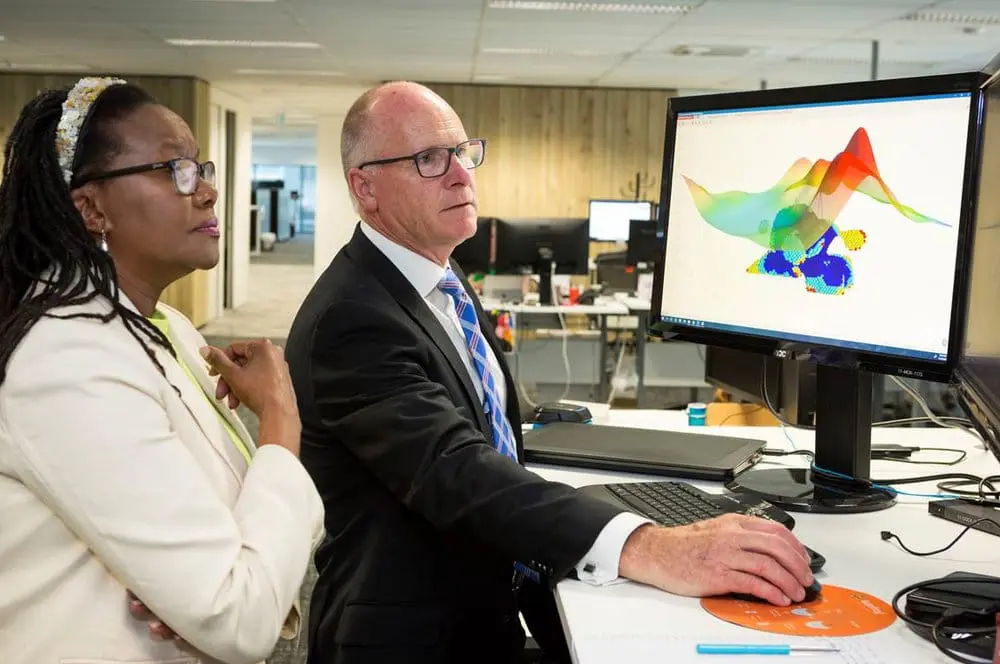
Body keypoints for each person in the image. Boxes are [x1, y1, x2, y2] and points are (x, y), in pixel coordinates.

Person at [284, 81, 814, 664]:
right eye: (427, 160)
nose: (460, 174)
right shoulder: (352, 318)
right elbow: (452, 467)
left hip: (485, 598)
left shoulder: (437, 275)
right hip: (410, 633)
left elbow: (473, 414)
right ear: (366, 188)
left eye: (462, 152)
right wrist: (648, 544)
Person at [0, 77, 323, 664]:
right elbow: (240, 614)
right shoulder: (68, 361)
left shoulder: (166, 327)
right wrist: (279, 420)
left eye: (201, 166)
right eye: (173, 169)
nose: (207, 192)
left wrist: (207, 586)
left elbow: (245, 562)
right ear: (91, 208)